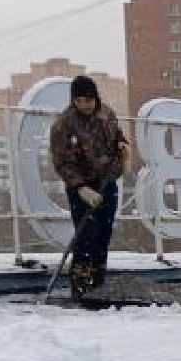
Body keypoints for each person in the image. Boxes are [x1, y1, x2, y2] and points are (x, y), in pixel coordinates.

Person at [49, 75, 128, 297]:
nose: (84, 105)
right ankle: (81, 286)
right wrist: (81, 188)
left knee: (103, 235)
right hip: (82, 187)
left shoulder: (107, 114)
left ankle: (98, 285)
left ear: (96, 98)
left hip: (107, 182)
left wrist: (122, 145)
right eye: (79, 100)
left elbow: (117, 136)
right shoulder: (64, 124)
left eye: (88, 100)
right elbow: (61, 162)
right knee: (86, 236)